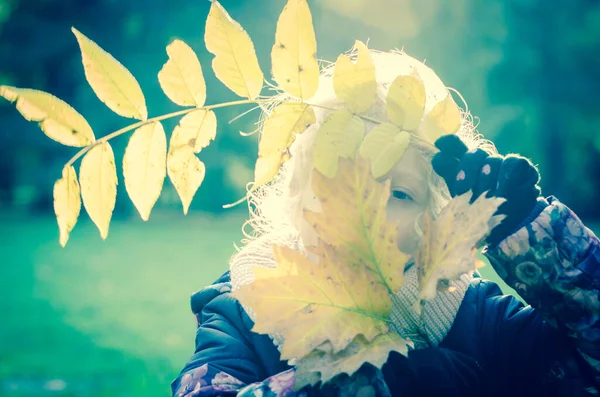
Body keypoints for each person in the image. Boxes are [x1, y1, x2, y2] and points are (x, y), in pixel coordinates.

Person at [171, 50, 600, 396]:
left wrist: (536, 240)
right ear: (298, 197)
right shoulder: (246, 311)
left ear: (432, 222)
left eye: (400, 194)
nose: (366, 212)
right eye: (341, 184)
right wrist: (375, 384)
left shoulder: (476, 320)